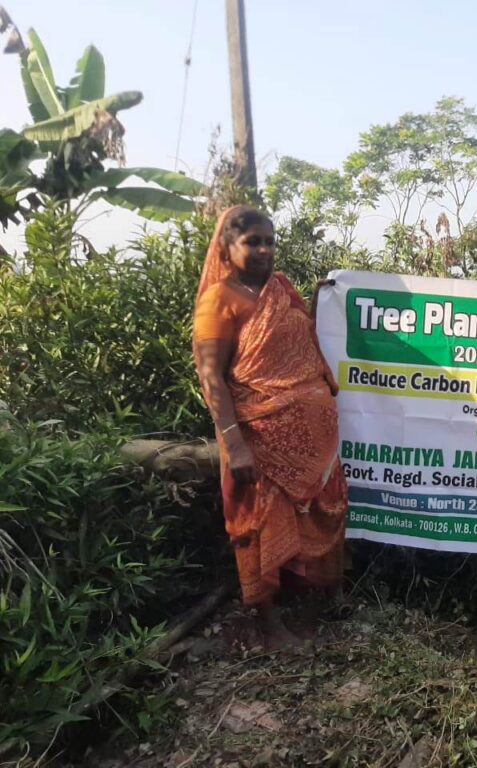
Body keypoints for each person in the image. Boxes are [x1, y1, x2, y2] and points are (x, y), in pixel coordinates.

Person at [193, 205, 348, 649]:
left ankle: (326, 598)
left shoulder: (281, 288)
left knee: (326, 510)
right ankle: (269, 621)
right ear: (228, 247)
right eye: (253, 241)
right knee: (261, 527)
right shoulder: (219, 300)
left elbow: (301, 341)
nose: (264, 250)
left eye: (270, 241)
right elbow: (212, 377)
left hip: (314, 442)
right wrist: (234, 444)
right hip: (259, 441)